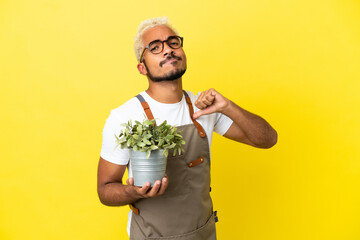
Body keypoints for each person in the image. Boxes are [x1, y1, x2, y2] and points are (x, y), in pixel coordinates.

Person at [97, 17, 277, 240]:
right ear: (141, 67)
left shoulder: (205, 108)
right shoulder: (124, 116)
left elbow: (267, 139)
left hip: (204, 234)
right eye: (155, 47)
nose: (168, 50)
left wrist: (228, 106)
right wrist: (133, 192)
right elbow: (105, 190)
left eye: (173, 43)